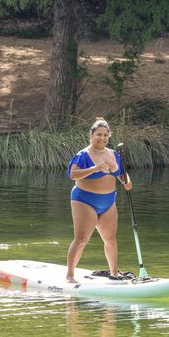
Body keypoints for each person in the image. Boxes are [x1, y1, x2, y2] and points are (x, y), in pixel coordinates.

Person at [65, 118, 133, 283]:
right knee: (81, 239)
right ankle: (70, 276)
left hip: (109, 202)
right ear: (91, 135)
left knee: (111, 239)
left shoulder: (114, 154)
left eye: (105, 135)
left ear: (109, 136)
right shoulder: (83, 155)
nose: (102, 138)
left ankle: (114, 273)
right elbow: (72, 174)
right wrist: (95, 168)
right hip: (84, 200)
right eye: (98, 135)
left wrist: (127, 181)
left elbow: (122, 174)